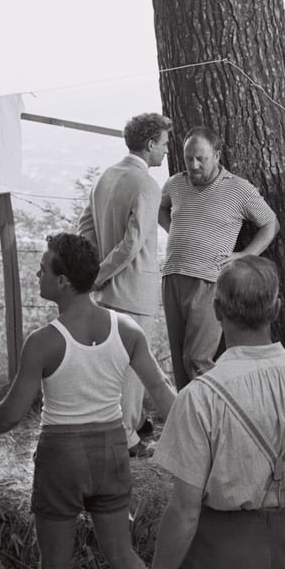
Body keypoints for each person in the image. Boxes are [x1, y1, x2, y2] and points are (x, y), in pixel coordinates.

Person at [0, 232, 176, 569]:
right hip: (112, 450)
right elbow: (162, 394)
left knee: (54, 568)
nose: (37, 274)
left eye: (43, 269)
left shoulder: (43, 342)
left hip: (62, 456)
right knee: (123, 555)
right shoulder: (126, 329)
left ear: (63, 281)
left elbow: (11, 414)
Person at [145, 255, 285, 569]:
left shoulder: (201, 396)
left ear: (218, 310)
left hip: (219, 560)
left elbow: (185, 511)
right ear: (278, 308)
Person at [78, 111, 173, 457]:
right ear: (149, 145)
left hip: (104, 296)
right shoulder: (146, 185)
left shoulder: (106, 177)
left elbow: (85, 229)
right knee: (134, 368)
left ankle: (117, 428)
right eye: (163, 144)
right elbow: (132, 244)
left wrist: (92, 276)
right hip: (134, 292)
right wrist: (100, 274)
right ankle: (128, 438)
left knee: (109, 368)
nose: (165, 151)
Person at [158, 126, 278, 388]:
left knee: (197, 358)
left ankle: (216, 414)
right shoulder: (175, 182)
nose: (193, 164)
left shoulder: (239, 189)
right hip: (172, 275)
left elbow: (270, 223)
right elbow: (161, 208)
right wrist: (176, 233)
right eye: (189, 158)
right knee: (179, 361)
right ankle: (188, 416)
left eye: (201, 158)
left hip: (209, 280)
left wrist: (245, 255)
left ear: (217, 155)